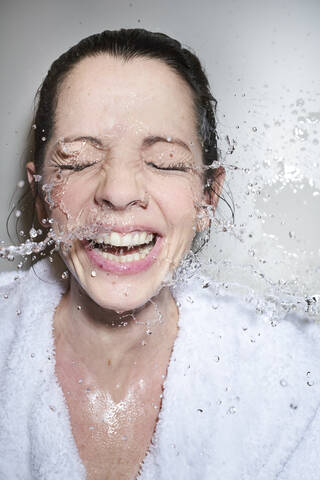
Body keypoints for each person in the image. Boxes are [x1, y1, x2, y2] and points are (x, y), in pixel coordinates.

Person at [0, 29, 319, 480]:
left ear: (208, 197)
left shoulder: (301, 384)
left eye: (165, 162)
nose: (118, 191)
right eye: (77, 161)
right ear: (41, 194)